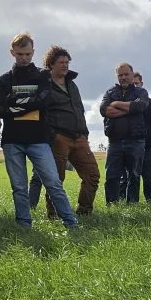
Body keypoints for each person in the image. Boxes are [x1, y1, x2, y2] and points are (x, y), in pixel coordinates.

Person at [0, 33, 78, 228]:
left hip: (38, 140)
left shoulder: (42, 75)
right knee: (19, 187)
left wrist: (13, 105)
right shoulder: (5, 79)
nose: (23, 58)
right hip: (12, 140)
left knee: (53, 183)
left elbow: (43, 101)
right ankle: (24, 224)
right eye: (19, 54)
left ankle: (70, 222)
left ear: (33, 52)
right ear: (12, 53)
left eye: (27, 54)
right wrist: (29, 104)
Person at [25, 45, 100, 216]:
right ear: (51, 64)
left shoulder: (72, 85)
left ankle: (84, 211)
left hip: (79, 137)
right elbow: (40, 112)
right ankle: (54, 215)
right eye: (61, 62)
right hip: (58, 138)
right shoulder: (44, 84)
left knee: (92, 175)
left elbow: (79, 109)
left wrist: (85, 133)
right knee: (56, 181)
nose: (65, 65)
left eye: (67, 62)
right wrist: (53, 135)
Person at [99, 63, 151, 205]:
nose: (123, 77)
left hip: (135, 141)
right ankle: (111, 205)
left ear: (132, 74)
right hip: (114, 142)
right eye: (120, 75)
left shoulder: (141, 92)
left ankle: (132, 205)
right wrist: (130, 108)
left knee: (134, 175)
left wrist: (116, 103)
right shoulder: (110, 92)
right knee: (111, 176)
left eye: (126, 74)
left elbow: (140, 106)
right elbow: (104, 110)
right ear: (117, 76)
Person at [132, 71, 151, 202]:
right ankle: (132, 203)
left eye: (137, 84)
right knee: (132, 176)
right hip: (131, 145)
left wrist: (149, 138)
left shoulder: (150, 103)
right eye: (133, 84)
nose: (135, 86)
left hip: (147, 146)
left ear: (142, 84)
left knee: (147, 176)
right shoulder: (127, 103)